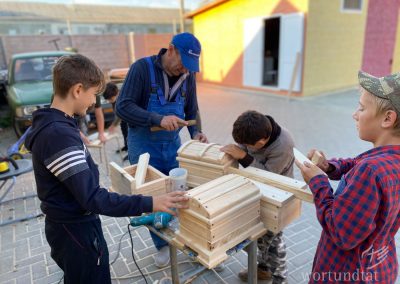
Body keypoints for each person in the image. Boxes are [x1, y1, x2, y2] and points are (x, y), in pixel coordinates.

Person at [25, 54, 189, 284]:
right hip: (76, 232)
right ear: (78, 90)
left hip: (69, 228)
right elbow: (92, 198)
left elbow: (80, 187)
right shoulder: (58, 135)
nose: (94, 102)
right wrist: (152, 202)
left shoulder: (59, 125)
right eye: (93, 94)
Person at [295, 71, 400, 284]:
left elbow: (341, 232)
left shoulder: (371, 171)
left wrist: (318, 183)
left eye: (361, 108)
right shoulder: (386, 159)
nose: (355, 114)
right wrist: (329, 167)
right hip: (380, 266)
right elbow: (356, 162)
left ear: (388, 118)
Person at [116, 32, 208, 268]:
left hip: (173, 147)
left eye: (190, 67)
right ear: (171, 50)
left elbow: (192, 109)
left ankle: (186, 238)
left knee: (181, 195)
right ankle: (162, 245)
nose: (186, 71)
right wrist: (156, 118)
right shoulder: (142, 69)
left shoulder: (188, 76)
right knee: (153, 198)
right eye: (183, 64)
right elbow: (123, 107)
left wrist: (196, 132)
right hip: (144, 149)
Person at [221, 110, 294, 283]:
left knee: (273, 239)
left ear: (262, 141)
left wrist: (243, 156)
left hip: (277, 193)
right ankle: (262, 270)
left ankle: (280, 279)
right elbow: (244, 149)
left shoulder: (284, 145)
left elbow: (269, 176)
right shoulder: (255, 128)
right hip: (255, 189)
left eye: (248, 145)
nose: (246, 148)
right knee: (258, 235)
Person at [102, 82, 128, 161]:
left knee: (129, 134)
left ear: (116, 93)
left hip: (128, 119)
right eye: (108, 100)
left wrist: (113, 125)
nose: (109, 101)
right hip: (123, 120)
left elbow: (119, 114)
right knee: (124, 132)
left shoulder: (122, 98)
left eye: (110, 99)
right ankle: (126, 146)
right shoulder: (114, 99)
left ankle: (130, 152)